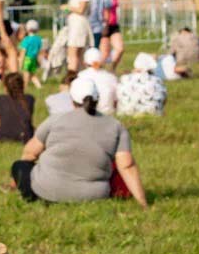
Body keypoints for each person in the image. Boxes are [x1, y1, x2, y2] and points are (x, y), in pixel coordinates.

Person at [9, 78, 147, 209]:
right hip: (94, 196)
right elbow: (127, 165)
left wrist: (17, 181)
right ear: (97, 99)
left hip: (46, 192)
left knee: (19, 166)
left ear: (72, 99)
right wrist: (143, 203)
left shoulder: (55, 119)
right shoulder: (116, 126)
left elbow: (30, 153)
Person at [0, 72, 35, 143]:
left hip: (2, 136)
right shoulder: (29, 99)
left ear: (5, 87)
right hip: (25, 136)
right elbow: (28, 121)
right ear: (22, 85)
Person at [63, 0, 93, 72]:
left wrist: (68, 7)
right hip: (74, 24)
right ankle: (82, 73)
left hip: (78, 25)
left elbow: (81, 10)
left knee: (73, 52)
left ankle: (71, 75)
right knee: (78, 55)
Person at [76, 47, 118, 115]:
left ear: (84, 62)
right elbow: (116, 100)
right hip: (108, 112)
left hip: (87, 113)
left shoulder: (80, 76)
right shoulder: (111, 77)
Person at [98, 0, 125, 71]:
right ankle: (98, 71)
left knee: (120, 48)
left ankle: (111, 70)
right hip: (104, 25)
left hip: (113, 25)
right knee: (104, 53)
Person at [19, 19, 44, 89]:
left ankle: (24, 87)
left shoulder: (26, 39)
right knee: (32, 74)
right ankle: (39, 86)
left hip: (27, 59)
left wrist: (21, 62)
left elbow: (23, 52)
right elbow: (39, 51)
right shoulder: (38, 39)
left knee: (26, 75)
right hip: (33, 59)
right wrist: (38, 61)